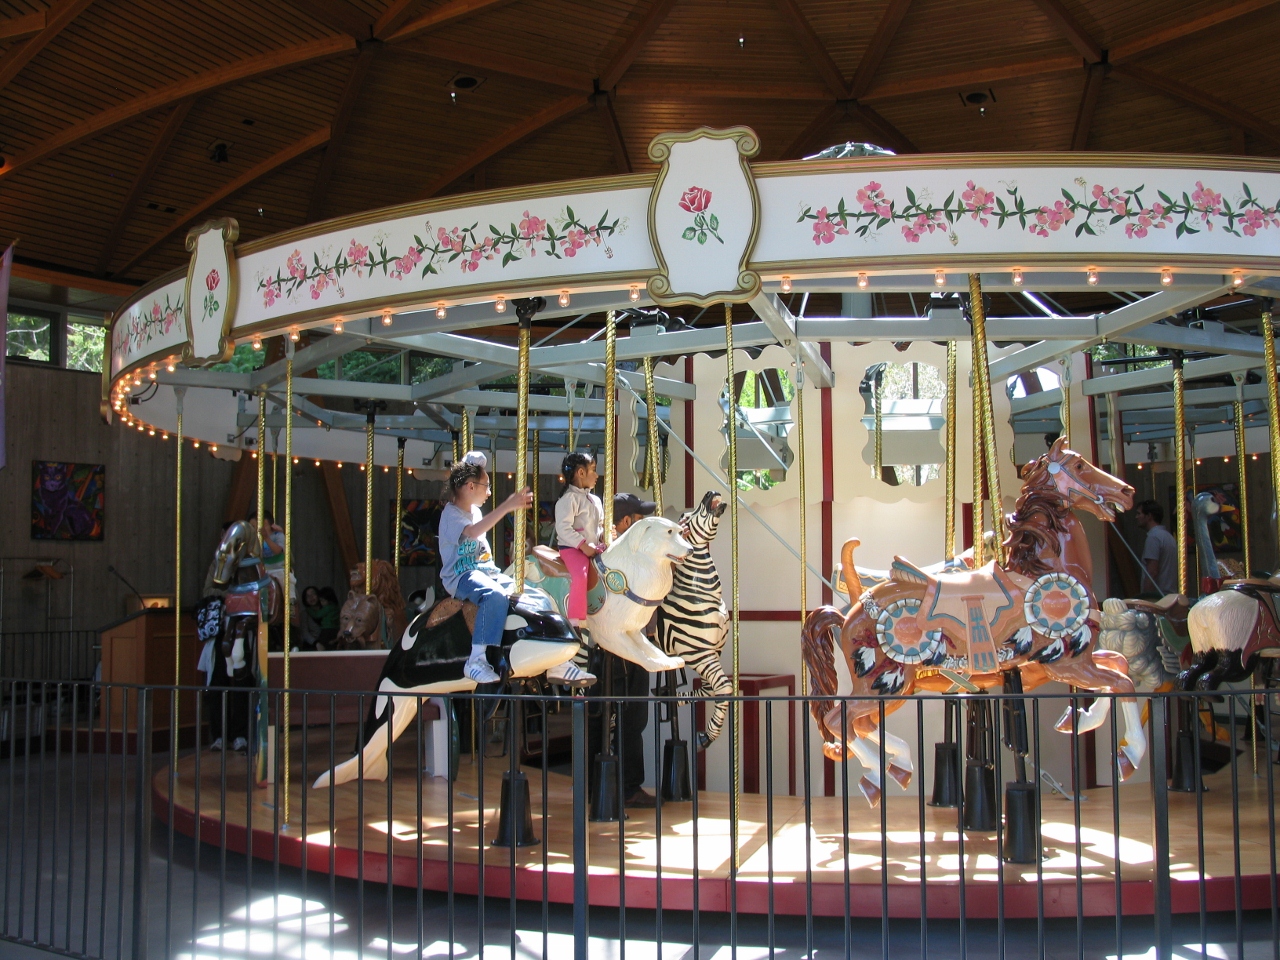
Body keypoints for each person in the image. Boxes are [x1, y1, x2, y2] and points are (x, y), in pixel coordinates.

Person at [587, 490, 660, 809]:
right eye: (640, 519)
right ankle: (621, 785)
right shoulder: (614, 555)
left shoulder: (613, 553)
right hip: (617, 645)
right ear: (626, 521)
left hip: (618, 643)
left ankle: (603, 784)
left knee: (616, 716)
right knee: (625, 716)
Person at [438, 451, 535, 683]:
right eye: (486, 486)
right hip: (462, 575)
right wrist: (507, 506)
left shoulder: (475, 511)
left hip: (487, 571)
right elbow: (472, 532)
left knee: (529, 594)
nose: (489, 492)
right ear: (471, 486)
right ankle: (476, 659)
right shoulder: (451, 514)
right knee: (494, 596)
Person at [554, 452, 604, 626]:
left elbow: (599, 524)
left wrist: (605, 533)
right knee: (580, 575)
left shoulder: (594, 500)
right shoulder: (568, 499)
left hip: (594, 547)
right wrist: (583, 546)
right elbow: (563, 528)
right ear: (581, 473)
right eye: (593, 470)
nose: (597, 475)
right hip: (572, 549)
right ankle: (575, 621)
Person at [1136, 499, 1179, 596]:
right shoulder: (1168, 536)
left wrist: (1146, 597)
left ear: (1149, 516)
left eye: (1139, 514)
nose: (1136, 517)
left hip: (1157, 596)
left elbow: (1152, 572)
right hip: (1169, 594)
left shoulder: (1153, 538)